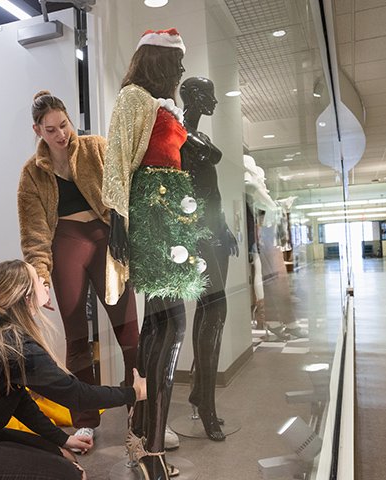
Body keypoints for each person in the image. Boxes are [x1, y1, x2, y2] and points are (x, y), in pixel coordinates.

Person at [0, 259, 147, 480]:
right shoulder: (15, 347)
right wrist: (133, 393)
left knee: (66, 457)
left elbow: (19, 402)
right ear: (27, 297)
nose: (44, 280)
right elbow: (77, 395)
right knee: (72, 475)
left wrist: (62, 440)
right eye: (38, 278)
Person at [102, 29, 206, 479]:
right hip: (152, 216)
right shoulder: (134, 98)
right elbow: (118, 159)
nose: (182, 71)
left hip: (168, 215)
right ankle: (151, 452)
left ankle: (143, 442)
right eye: (176, 62)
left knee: (158, 328)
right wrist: (118, 221)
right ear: (157, 61)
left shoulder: (158, 104)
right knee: (171, 325)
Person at [17, 91, 140, 446]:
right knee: (76, 335)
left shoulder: (96, 148)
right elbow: (34, 233)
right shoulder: (32, 173)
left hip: (106, 239)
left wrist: (127, 231)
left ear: (71, 120)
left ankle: (141, 407)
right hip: (66, 243)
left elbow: (123, 189)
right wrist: (38, 277)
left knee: (127, 327)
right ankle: (85, 419)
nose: (61, 135)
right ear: (38, 130)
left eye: (64, 125)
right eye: (51, 129)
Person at [179, 76, 238, 441]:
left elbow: (211, 192)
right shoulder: (183, 135)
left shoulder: (196, 135)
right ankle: (206, 406)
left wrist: (225, 227)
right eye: (208, 94)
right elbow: (190, 193)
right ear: (194, 97)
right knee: (215, 310)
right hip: (198, 235)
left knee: (210, 310)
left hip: (216, 232)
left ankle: (201, 393)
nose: (214, 101)